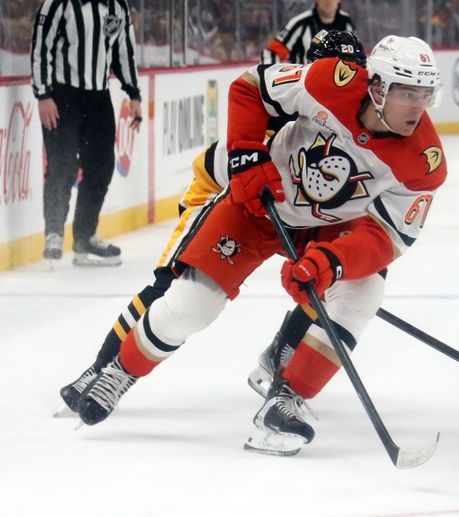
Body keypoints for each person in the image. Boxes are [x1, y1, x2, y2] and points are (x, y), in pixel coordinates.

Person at [71, 35, 446, 460]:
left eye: (425, 94)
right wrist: (248, 155)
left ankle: (285, 398)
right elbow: (252, 86)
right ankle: (118, 370)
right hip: (257, 203)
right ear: (376, 88)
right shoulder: (330, 81)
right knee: (192, 304)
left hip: (328, 227)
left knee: (363, 292)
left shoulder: (425, 160)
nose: (418, 107)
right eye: (406, 93)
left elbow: (389, 236)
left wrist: (332, 262)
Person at [57, 30, 368, 415]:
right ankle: (101, 370)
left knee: (323, 276)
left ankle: (280, 353)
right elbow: (238, 154)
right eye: (336, 69)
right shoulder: (291, 101)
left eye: (353, 71)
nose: (345, 81)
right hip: (221, 190)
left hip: (293, 208)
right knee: (173, 283)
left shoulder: (357, 118)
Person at [31, 0, 143, 266]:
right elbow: (40, 46)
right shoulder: (58, 3)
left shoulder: (118, 5)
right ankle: (54, 234)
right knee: (62, 164)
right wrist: (43, 94)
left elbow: (124, 51)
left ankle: (84, 235)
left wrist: (134, 93)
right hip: (62, 95)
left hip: (98, 98)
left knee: (101, 167)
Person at [261, 0, 354, 65]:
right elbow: (271, 53)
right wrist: (269, 80)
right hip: (302, 86)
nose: (328, 1)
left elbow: (354, 55)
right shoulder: (300, 23)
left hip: (337, 85)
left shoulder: (346, 22)